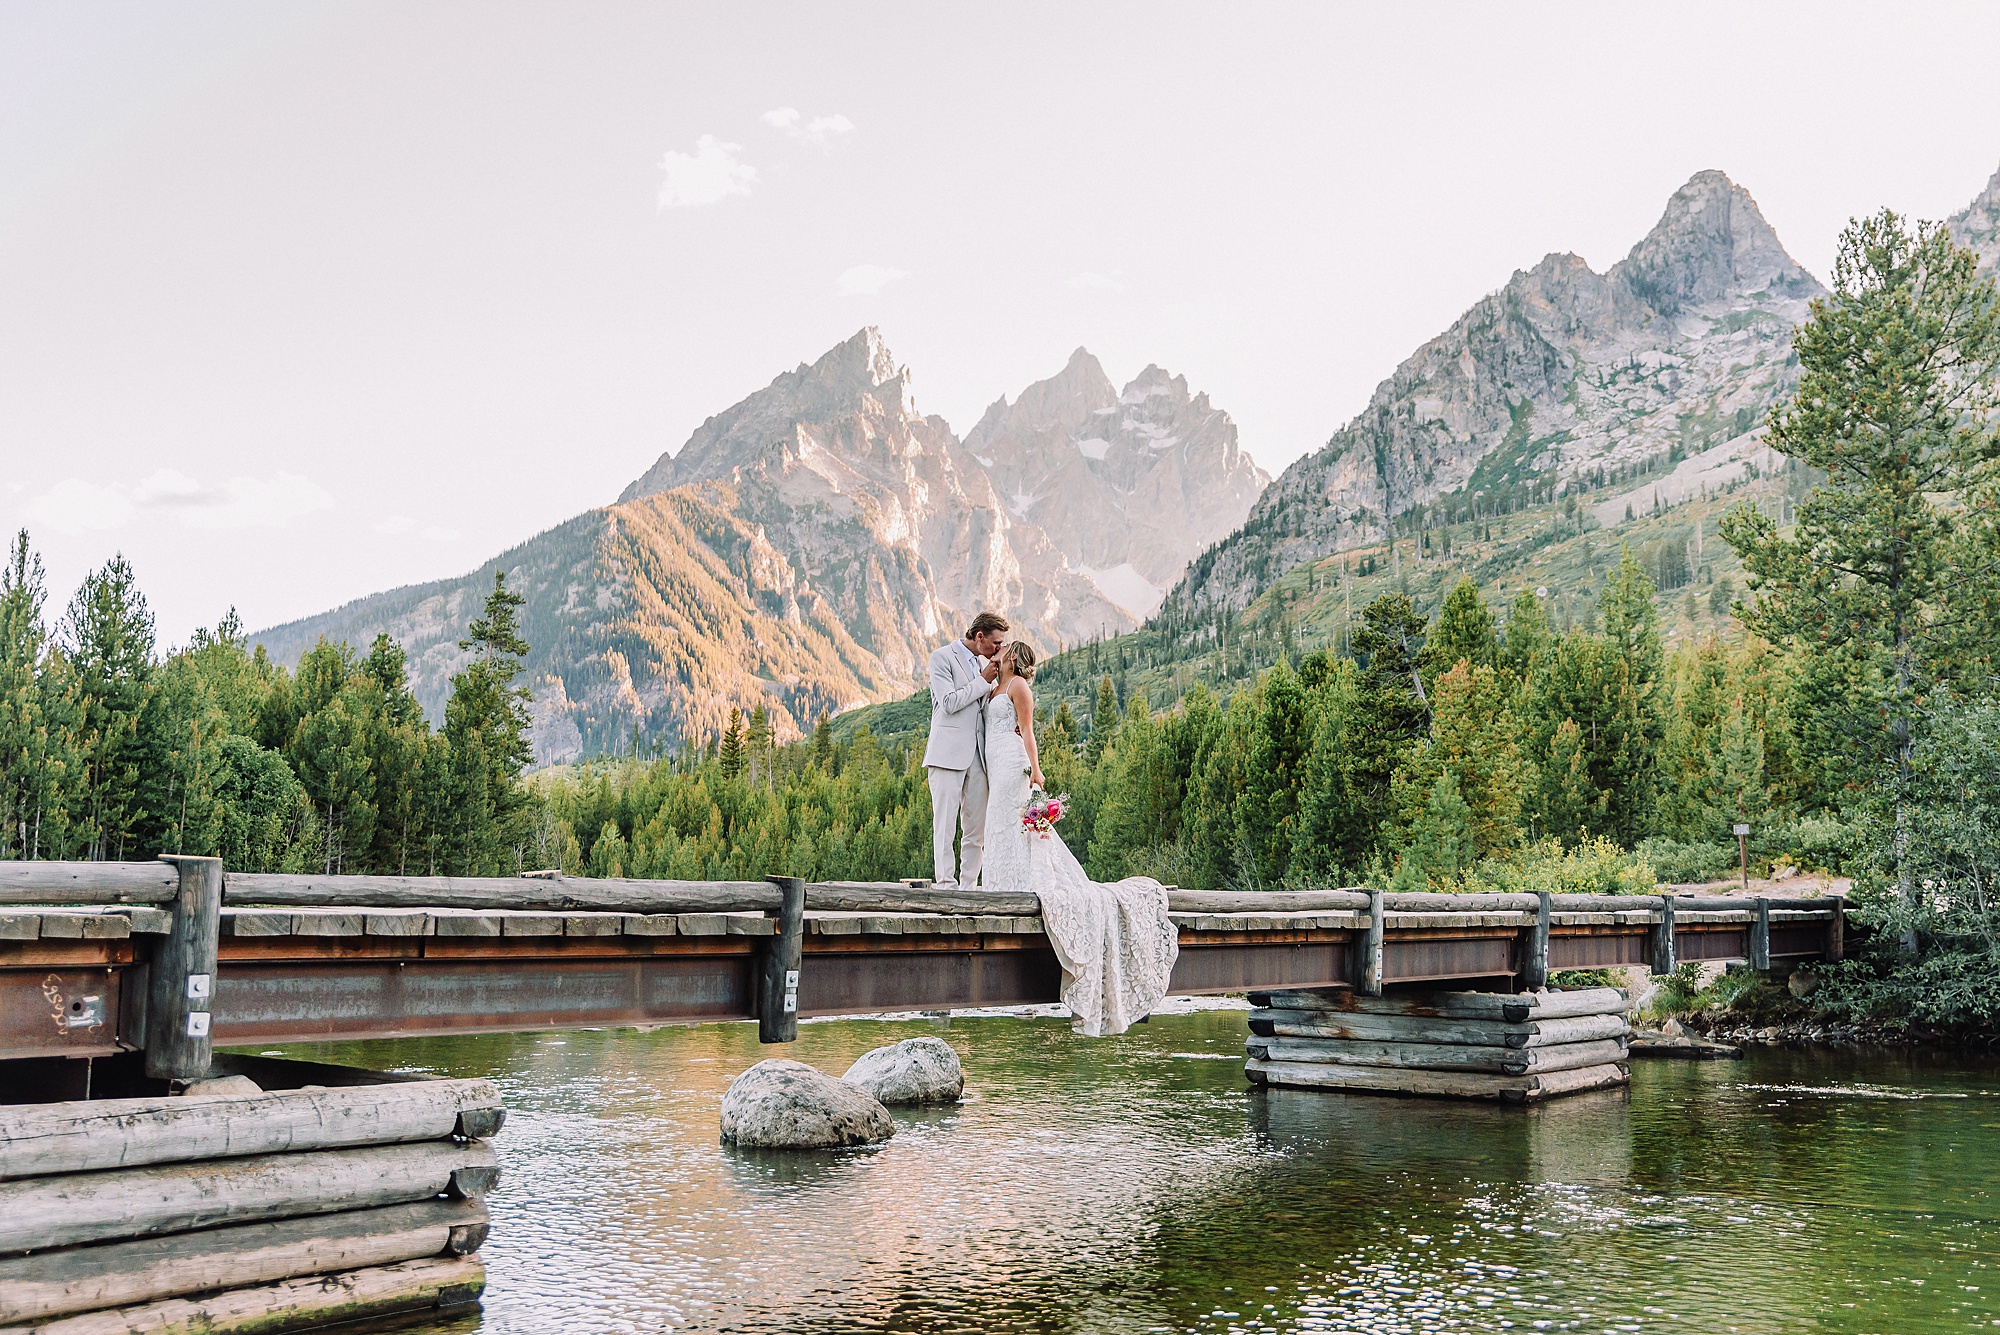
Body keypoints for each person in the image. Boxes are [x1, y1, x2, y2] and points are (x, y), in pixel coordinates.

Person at [979, 639, 1179, 1036]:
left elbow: (1028, 731)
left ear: (1014, 658)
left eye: (1004, 651)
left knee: (1013, 823)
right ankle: (1001, 886)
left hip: (1013, 764)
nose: (998, 653)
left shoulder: (1018, 687)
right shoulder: (994, 685)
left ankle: (1026, 887)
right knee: (997, 824)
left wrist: (1036, 771)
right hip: (994, 763)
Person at [922, 611, 1008, 888]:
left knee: (976, 829)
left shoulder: (984, 667)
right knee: (945, 825)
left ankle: (969, 885)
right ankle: (946, 884)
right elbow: (948, 702)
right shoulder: (942, 657)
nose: (998, 649)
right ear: (979, 636)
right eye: (996, 643)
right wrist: (983, 681)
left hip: (978, 757)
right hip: (946, 754)